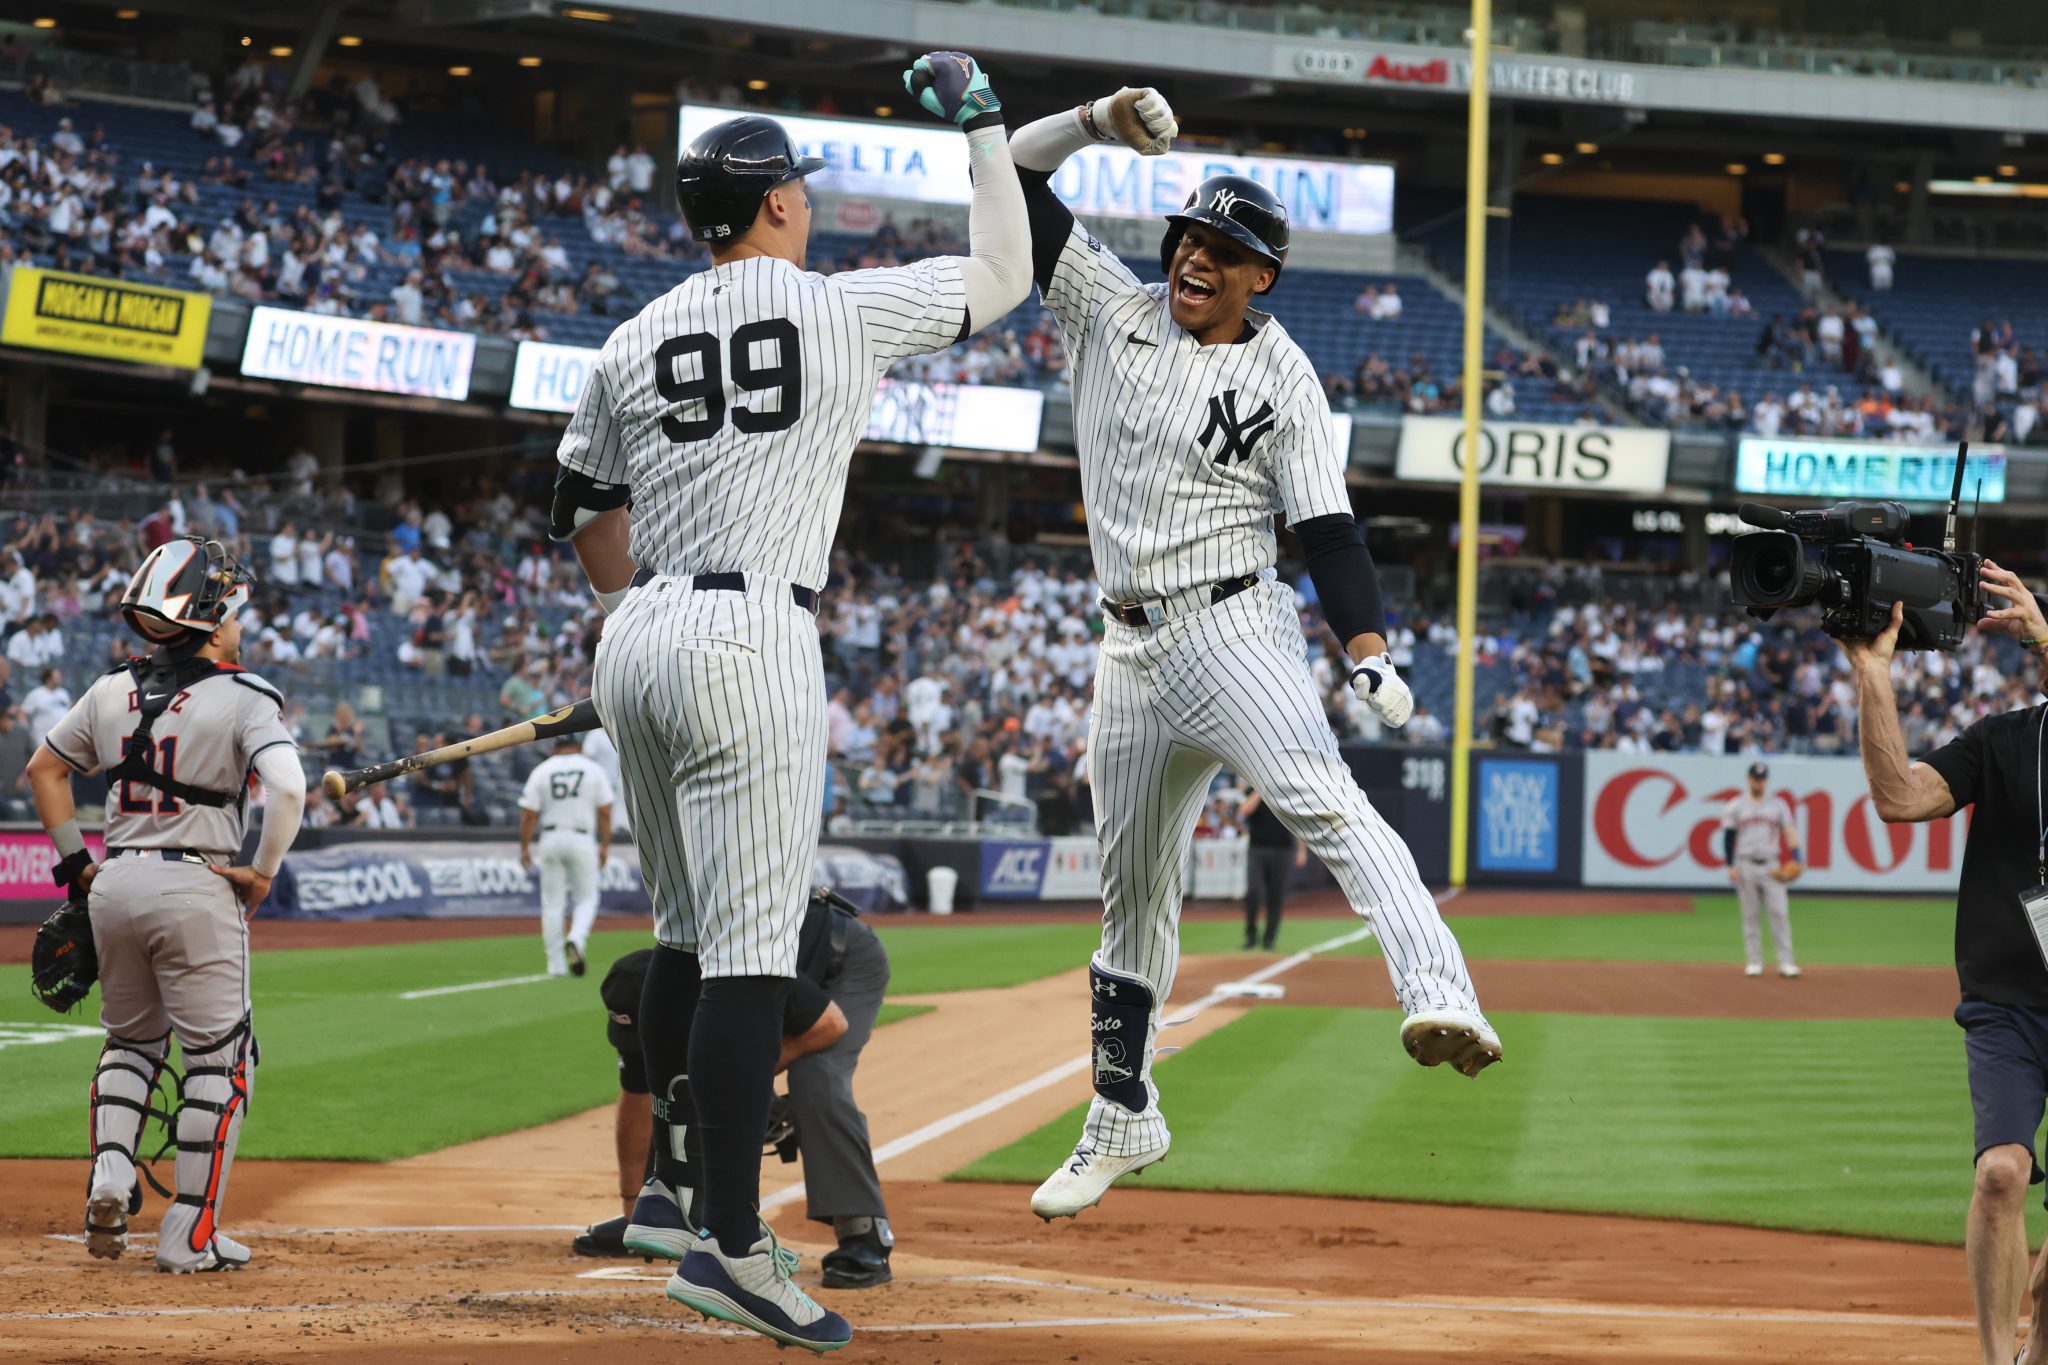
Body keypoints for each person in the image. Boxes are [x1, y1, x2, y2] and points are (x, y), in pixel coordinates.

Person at [550, 60, 1027, 1352]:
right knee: (753, 954)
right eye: (799, 192)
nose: (808, 207)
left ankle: (663, 1203)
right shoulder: (838, 310)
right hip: (754, 624)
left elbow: (579, 503)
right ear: (769, 206)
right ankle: (733, 1246)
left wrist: (628, 620)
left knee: (687, 933)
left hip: (639, 627)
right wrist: (983, 118)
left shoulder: (633, 335)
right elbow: (1003, 269)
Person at [1007, 83, 1499, 1224]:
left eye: (1220, 250)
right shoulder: (1105, 307)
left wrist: (1367, 648)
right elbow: (1020, 181)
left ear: (1258, 276)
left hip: (1232, 624)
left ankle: (1440, 994)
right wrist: (1089, 122)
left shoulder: (1283, 377)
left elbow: (1325, 529)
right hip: (1122, 646)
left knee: (1322, 801)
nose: (1193, 258)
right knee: (1129, 897)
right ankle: (1122, 1112)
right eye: (1186, 237)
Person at [24, 537, 305, 1273]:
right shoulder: (248, 695)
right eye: (237, 613)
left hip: (116, 877)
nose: (242, 625)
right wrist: (262, 870)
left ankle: (110, 1177)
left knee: (131, 1044)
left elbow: (44, 768)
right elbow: (290, 789)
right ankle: (189, 1231)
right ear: (212, 620)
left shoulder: (110, 689)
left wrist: (78, 865)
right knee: (222, 1056)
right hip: (198, 880)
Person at [1843, 569, 2048, 1365]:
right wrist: (1874, 675)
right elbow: (1898, 796)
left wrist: (2043, 631)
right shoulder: (1999, 742)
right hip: (2008, 1005)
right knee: (2000, 1174)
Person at [582, 889, 897, 1289]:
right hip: (781, 972)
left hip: (841, 959)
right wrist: (632, 1209)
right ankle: (668, 1211)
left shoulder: (732, 969)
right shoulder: (662, 998)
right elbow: (639, 1101)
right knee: (679, 1088)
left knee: (814, 1077)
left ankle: (862, 1232)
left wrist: (735, 1084)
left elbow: (829, 1026)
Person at [517, 734, 615, 978]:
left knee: (552, 904)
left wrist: (524, 847)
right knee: (587, 898)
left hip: (550, 838)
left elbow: (529, 814)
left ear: (555, 747)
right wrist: (605, 845)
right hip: (582, 837)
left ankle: (556, 965)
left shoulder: (542, 769)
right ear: (578, 746)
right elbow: (604, 811)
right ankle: (576, 938)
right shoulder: (592, 769)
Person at [1720, 761, 1803, 977]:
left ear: (1766, 780)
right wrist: (1730, 865)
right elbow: (1729, 837)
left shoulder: (1778, 805)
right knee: (1750, 916)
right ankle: (1754, 962)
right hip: (1746, 864)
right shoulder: (1736, 805)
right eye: (1756, 778)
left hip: (1771, 865)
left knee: (1780, 913)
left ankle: (1786, 962)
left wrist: (1797, 857)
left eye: (1762, 778)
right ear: (1749, 779)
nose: (1759, 782)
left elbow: (1789, 831)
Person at [1239, 788, 1304, 951]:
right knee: (1253, 892)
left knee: (1275, 896)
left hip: (1282, 850)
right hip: (1257, 849)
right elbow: (1243, 811)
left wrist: (1301, 850)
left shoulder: (1285, 793)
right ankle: (1251, 936)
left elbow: (1296, 823)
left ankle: (1269, 939)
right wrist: (1260, 791)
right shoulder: (1253, 790)